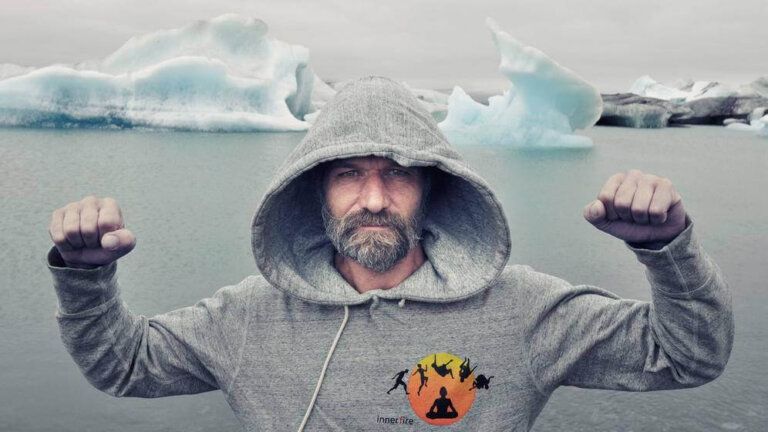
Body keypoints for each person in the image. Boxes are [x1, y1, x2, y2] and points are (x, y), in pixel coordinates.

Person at [46, 76, 734, 431]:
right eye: (348, 173)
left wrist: (666, 251)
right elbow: (124, 365)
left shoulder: (524, 310)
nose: (373, 198)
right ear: (314, 191)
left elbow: (685, 356)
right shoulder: (246, 319)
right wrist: (85, 277)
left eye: (397, 173)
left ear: (433, 190)